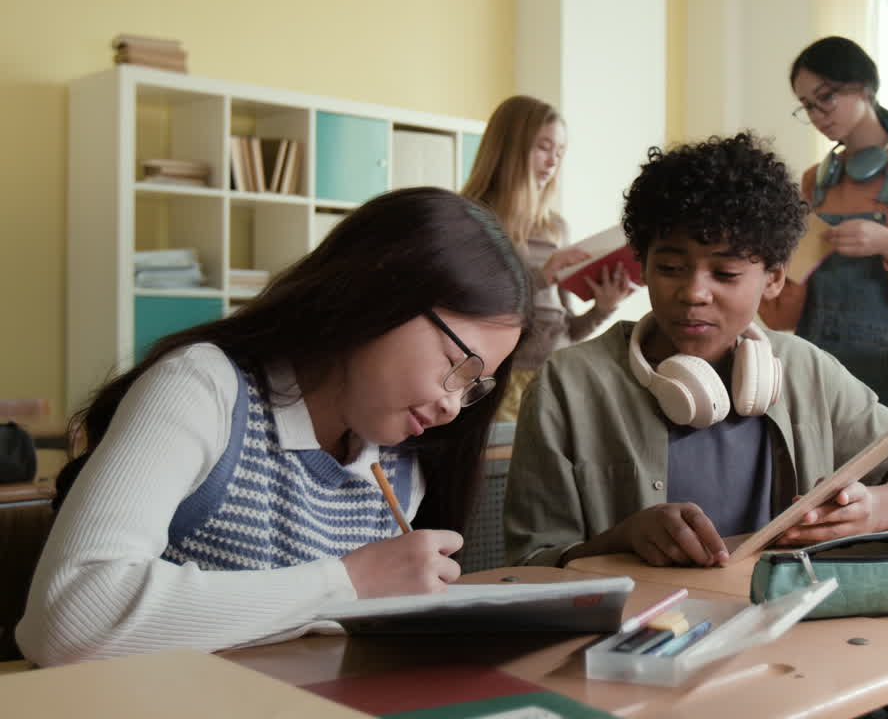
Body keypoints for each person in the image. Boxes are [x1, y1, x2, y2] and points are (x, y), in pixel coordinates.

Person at [504, 132, 888, 719]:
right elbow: (527, 569)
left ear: (774, 279)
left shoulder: (803, 369)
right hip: (653, 670)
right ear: (643, 265)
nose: (692, 294)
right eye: (670, 267)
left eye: (725, 274)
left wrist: (874, 509)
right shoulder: (571, 386)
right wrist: (620, 539)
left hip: (803, 646)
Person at [18, 188, 533, 666]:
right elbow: (67, 616)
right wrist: (348, 582)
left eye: (474, 387)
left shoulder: (401, 462)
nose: (453, 407)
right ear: (379, 291)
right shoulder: (206, 389)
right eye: (458, 363)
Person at [757, 36, 888, 415]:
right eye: (808, 106)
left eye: (827, 97)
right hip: (817, 373)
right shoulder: (812, 183)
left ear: (865, 88)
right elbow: (781, 314)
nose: (819, 114)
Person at [461, 95, 634, 423]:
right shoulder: (471, 217)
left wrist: (603, 309)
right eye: (543, 147)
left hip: (556, 376)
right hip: (500, 382)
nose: (553, 162)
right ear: (510, 146)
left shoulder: (556, 228)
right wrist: (543, 276)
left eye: (560, 152)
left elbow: (566, 327)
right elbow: (471, 309)